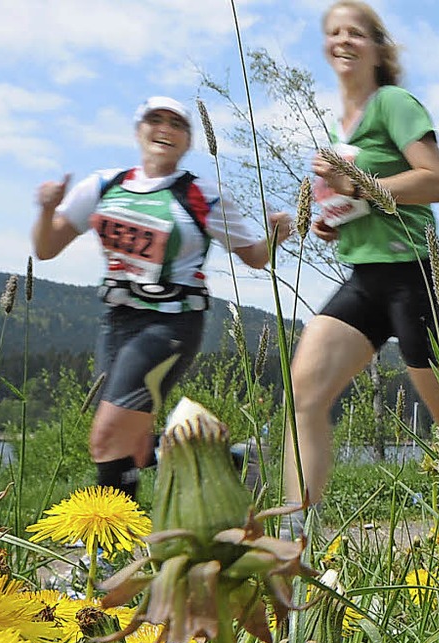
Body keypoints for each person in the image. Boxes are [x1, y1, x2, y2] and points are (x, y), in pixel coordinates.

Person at [284, 1, 439, 535]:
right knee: (304, 390)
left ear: (377, 48)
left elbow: (435, 183)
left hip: (419, 276)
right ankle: (295, 534)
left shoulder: (393, 104)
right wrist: (335, 217)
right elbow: (365, 200)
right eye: (333, 32)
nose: (343, 40)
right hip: (365, 279)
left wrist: (357, 187)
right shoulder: (339, 125)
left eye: (356, 32)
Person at [33, 95, 292, 501]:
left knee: (106, 436)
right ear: (139, 131)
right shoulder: (103, 187)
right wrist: (47, 210)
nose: (165, 129)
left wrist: (275, 237)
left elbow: (255, 258)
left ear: (188, 141)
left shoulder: (202, 197)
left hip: (170, 325)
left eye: (177, 124)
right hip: (117, 322)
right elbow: (47, 249)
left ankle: (108, 547)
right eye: (155, 120)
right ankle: (234, 459)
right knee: (131, 447)